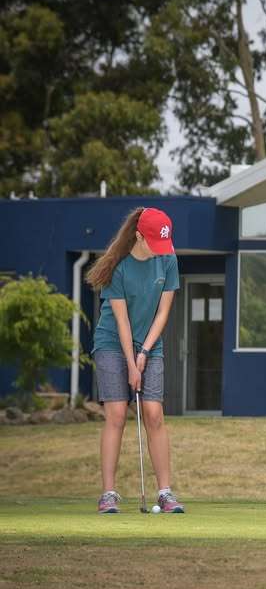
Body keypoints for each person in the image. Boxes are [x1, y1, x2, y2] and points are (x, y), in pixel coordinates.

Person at [86, 207, 184, 514]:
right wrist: (131, 362)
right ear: (140, 236)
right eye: (155, 242)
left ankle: (165, 493)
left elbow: (164, 313)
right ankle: (109, 493)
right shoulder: (117, 266)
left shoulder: (168, 259)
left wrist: (144, 354)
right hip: (113, 343)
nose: (160, 250)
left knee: (154, 413)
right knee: (116, 413)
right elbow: (122, 321)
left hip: (150, 344)